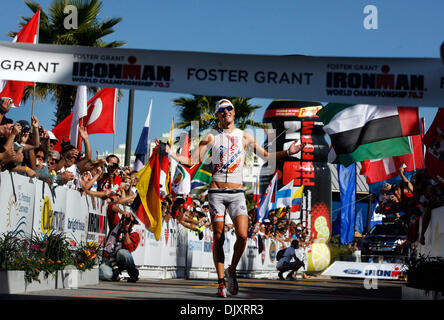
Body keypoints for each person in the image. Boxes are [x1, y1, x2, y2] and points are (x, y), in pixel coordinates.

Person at [168, 98, 307, 297]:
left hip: (237, 194)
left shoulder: (245, 136)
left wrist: (288, 151)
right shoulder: (211, 136)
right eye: (222, 110)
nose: (226, 112)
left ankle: (231, 270)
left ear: (233, 112)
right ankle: (220, 283)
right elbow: (192, 160)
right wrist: (171, 153)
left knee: (242, 235)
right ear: (217, 116)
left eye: (229, 108)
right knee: (218, 236)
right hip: (216, 193)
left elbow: (266, 156)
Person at [100, 198, 140, 283]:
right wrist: (122, 212)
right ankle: (115, 274)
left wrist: (125, 231)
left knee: (123, 252)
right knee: (107, 275)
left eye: (130, 222)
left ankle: (133, 274)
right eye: (126, 220)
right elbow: (111, 206)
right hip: (108, 259)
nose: (128, 223)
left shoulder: (135, 235)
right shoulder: (116, 224)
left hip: (120, 261)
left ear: (133, 225)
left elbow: (128, 249)